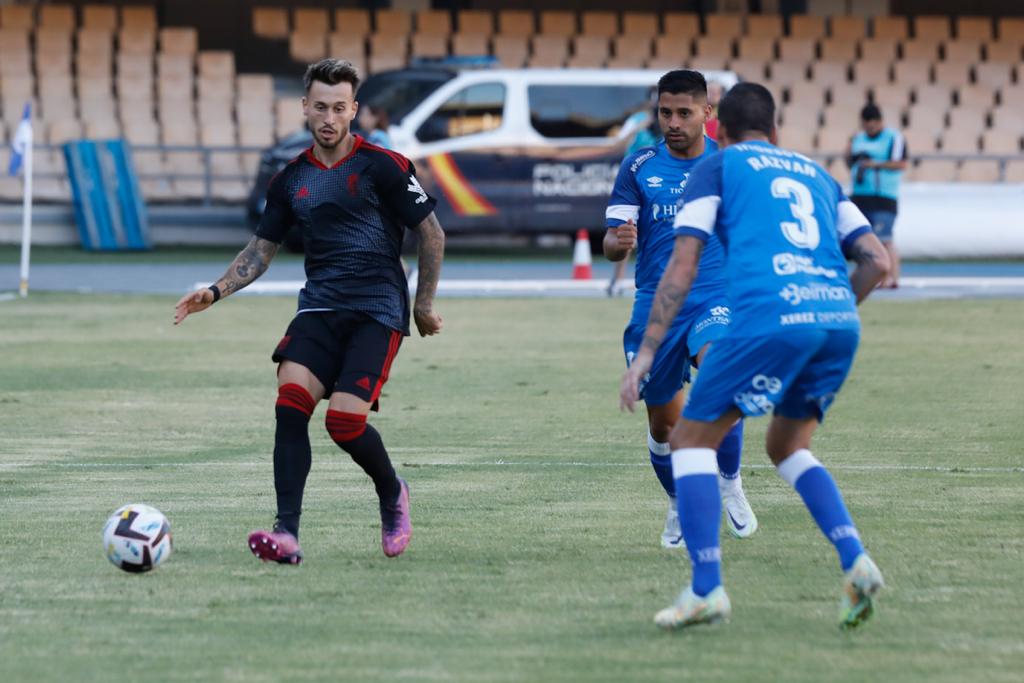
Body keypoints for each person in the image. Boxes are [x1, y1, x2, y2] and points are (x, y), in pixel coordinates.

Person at [620, 83, 891, 630]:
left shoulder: (716, 169)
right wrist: (829, 305)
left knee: (692, 439)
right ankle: (855, 558)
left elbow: (682, 263)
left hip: (768, 315)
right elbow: (877, 261)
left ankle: (706, 589)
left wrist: (646, 350)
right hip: (837, 322)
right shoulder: (817, 173)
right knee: (788, 446)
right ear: (775, 131)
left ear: (717, 128)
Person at [173, 58, 445, 564]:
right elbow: (260, 251)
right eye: (320, 106)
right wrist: (213, 291)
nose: (329, 117)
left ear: (353, 110)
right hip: (319, 308)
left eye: (339, 108)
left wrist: (424, 304)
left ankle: (392, 492)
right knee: (291, 400)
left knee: (343, 424)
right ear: (305, 107)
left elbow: (430, 232)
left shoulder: (383, 166)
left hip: (376, 310)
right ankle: (288, 533)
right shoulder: (289, 180)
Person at [604, 70, 756, 550]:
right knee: (663, 424)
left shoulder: (729, 164)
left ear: (707, 113)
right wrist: (616, 242)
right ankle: (676, 501)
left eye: (684, 113)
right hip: (654, 304)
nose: (673, 122)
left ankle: (729, 478)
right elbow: (611, 241)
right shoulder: (637, 165)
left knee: (721, 378)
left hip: (715, 296)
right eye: (665, 112)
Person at [847, 103, 907, 288]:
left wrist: (874, 164)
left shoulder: (894, 137)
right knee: (863, 240)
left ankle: (891, 278)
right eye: (866, 124)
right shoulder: (857, 139)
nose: (869, 127)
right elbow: (850, 161)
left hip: (884, 196)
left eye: (873, 123)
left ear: (880, 122)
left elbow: (900, 163)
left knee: (884, 239)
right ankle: (872, 278)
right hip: (860, 196)